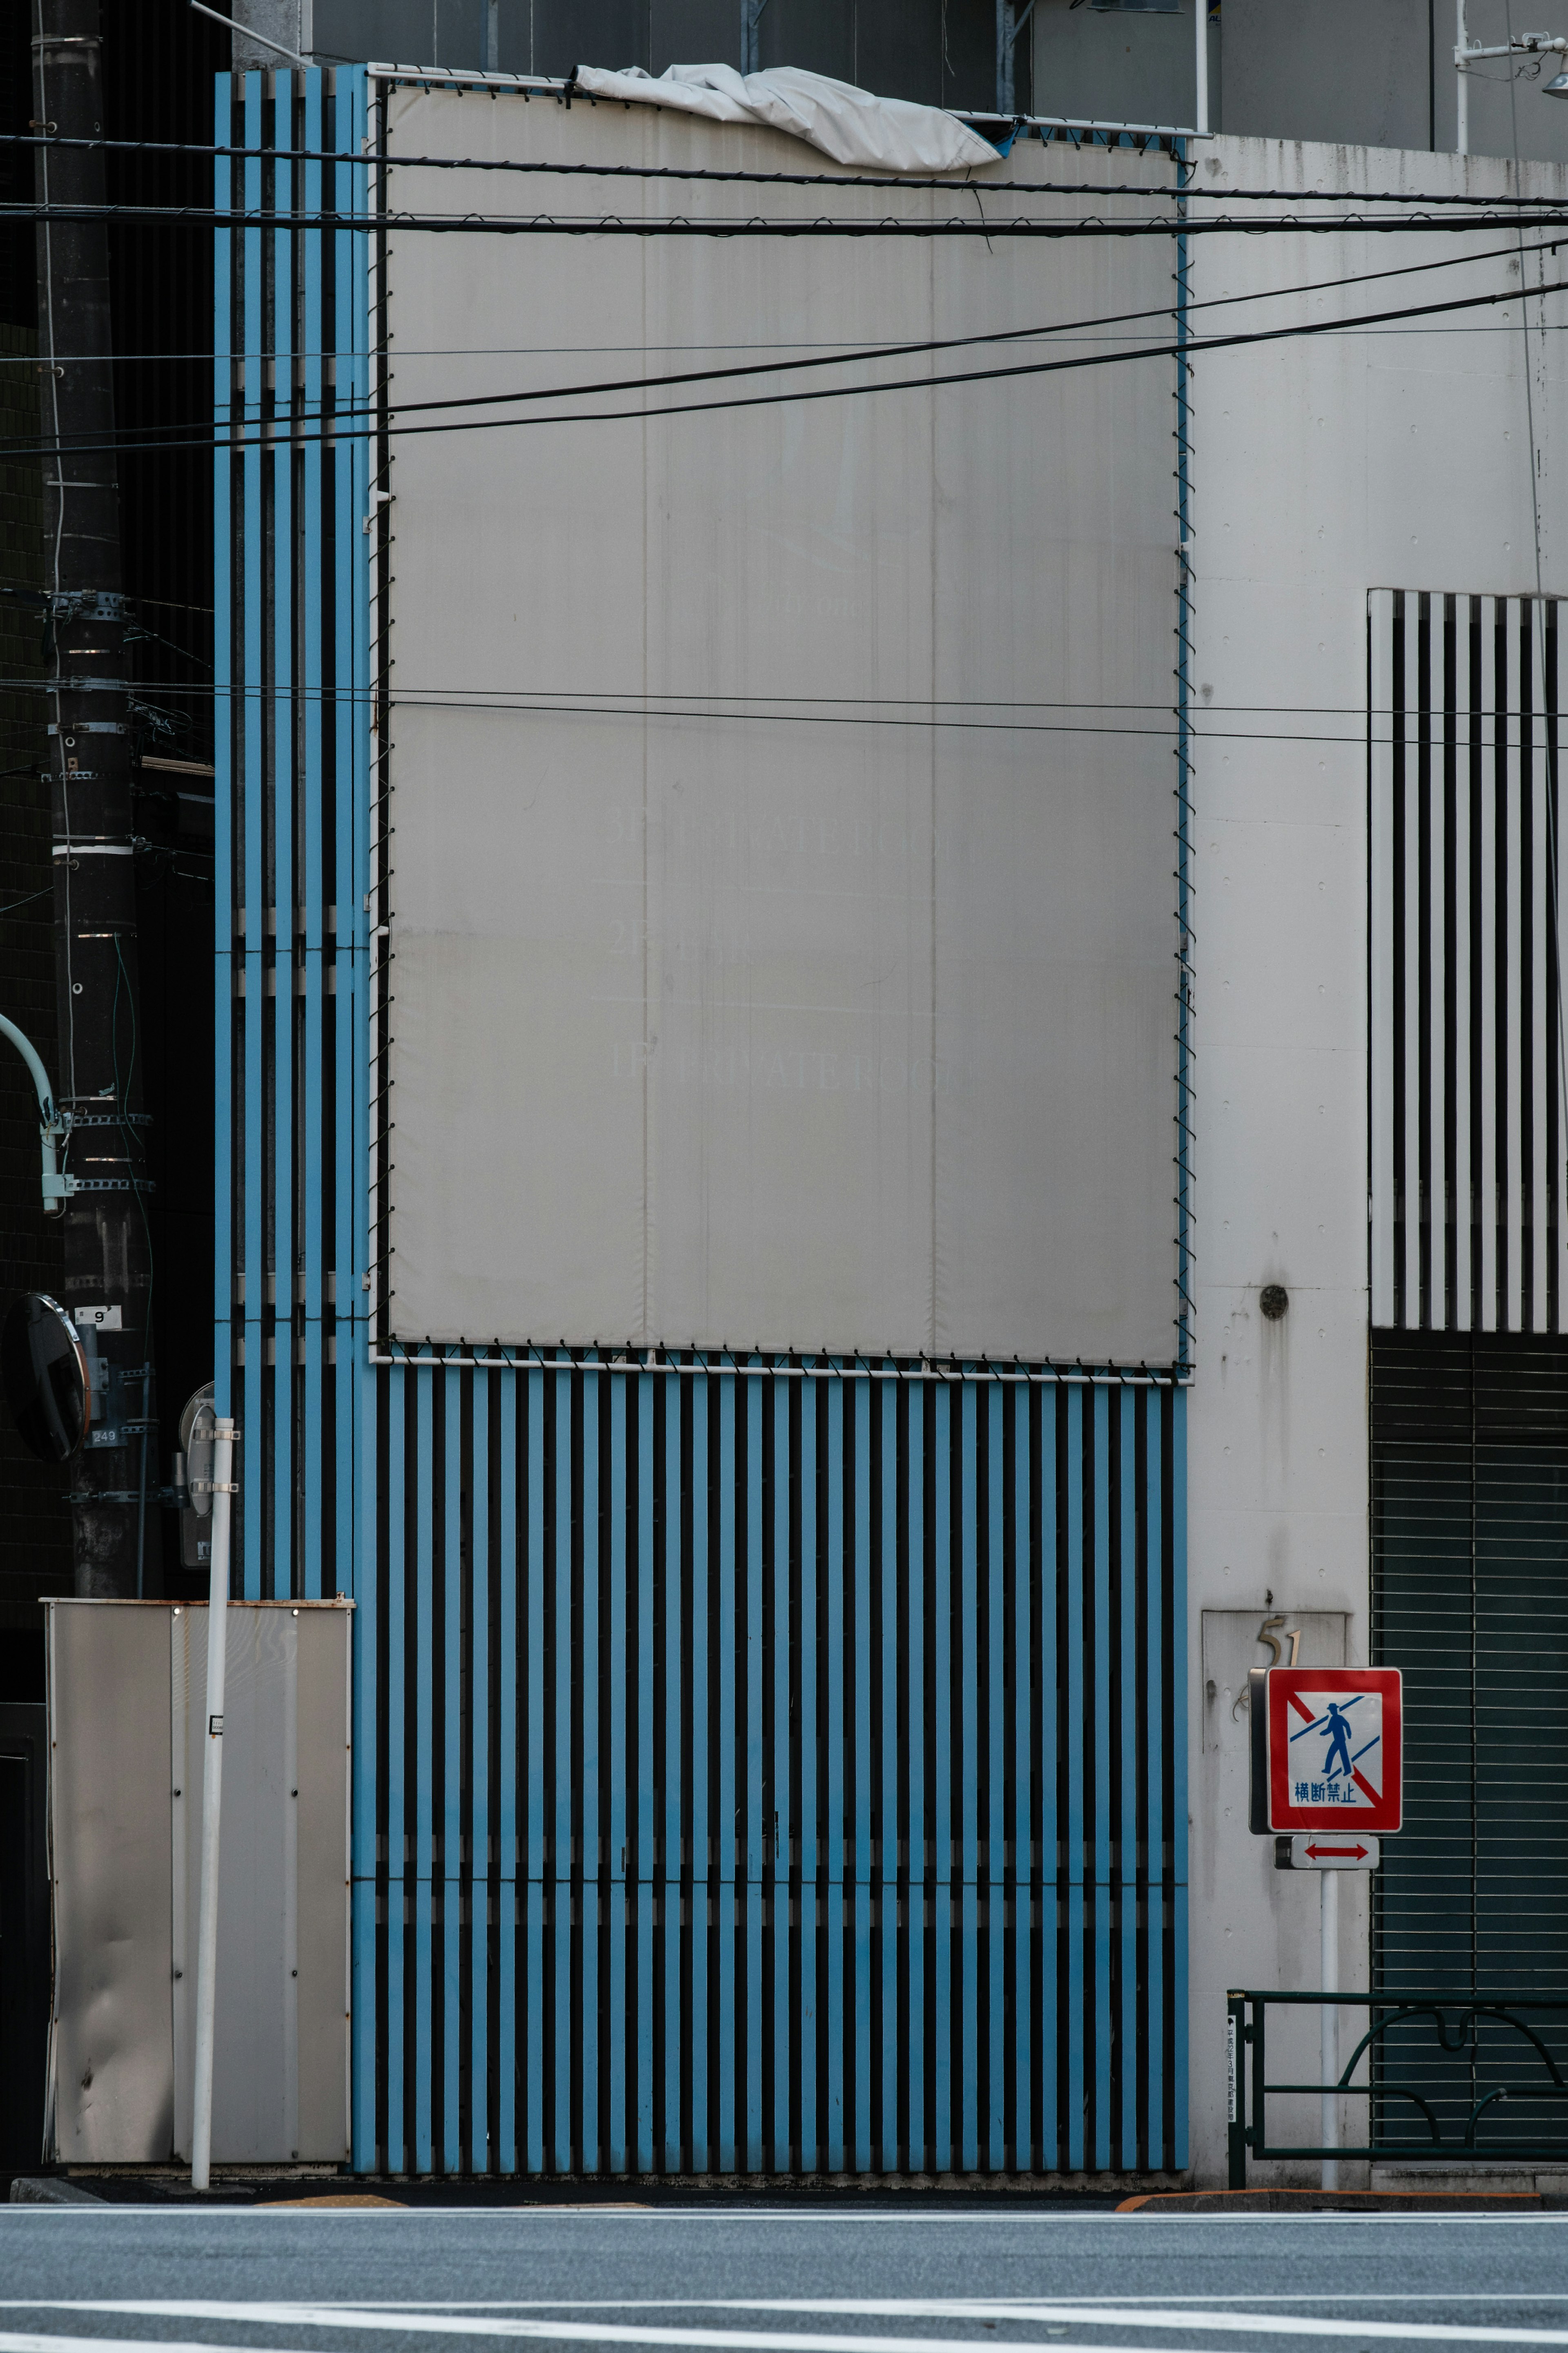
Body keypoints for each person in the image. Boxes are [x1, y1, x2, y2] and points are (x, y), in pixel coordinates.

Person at [1323, 1701, 1354, 1781]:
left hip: (1340, 1740)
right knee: (1337, 1754)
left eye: (1332, 1710)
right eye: (1331, 1710)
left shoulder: (1340, 1718)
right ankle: (1328, 1770)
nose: (1332, 1711)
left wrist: (1349, 1734)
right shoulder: (1333, 1719)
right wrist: (1323, 1733)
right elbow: (1329, 1729)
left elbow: (1347, 1725)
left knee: (1338, 1755)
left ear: (1335, 1710)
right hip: (1338, 1740)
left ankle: (1346, 1770)